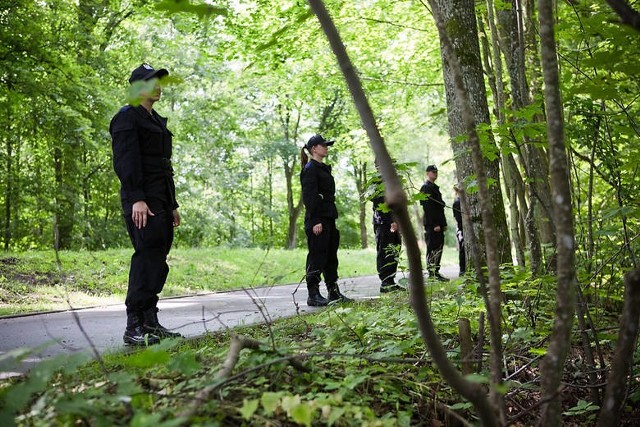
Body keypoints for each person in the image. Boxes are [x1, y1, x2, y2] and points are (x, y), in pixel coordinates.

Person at [110, 63, 182, 346]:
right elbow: (126, 162)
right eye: (152, 81)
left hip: (161, 199)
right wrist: (137, 197)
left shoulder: (154, 121)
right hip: (141, 199)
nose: (158, 85)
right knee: (146, 257)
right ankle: (134, 325)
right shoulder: (127, 118)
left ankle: (150, 321)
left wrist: (172, 203)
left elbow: (164, 167)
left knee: (158, 260)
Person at [300, 134, 352, 306]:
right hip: (317, 219)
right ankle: (313, 294)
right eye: (323, 145)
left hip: (329, 217)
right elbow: (309, 197)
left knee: (330, 256)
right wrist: (315, 220)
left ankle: (333, 291)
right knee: (317, 256)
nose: (326, 147)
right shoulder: (310, 169)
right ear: (314, 148)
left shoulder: (322, 168)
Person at [371, 163, 403, 293]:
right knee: (385, 250)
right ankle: (385, 282)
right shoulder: (376, 182)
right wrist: (390, 221)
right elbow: (379, 204)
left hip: (395, 221)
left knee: (395, 249)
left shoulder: (391, 181)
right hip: (384, 223)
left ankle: (391, 280)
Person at [420, 165, 449, 281]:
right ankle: (432, 272)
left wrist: (443, 223)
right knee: (433, 247)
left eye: (436, 172)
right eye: (433, 172)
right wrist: (435, 224)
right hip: (432, 225)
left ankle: (435, 271)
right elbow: (428, 208)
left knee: (438, 247)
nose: (435, 174)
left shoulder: (434, 187)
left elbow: (439, 208)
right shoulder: (426, 187)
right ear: (427, 173)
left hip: (438, 224)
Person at [452, 186, 466, 276]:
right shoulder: (457, 203)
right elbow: (458, 219)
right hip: (461, 229)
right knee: (463, 248)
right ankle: (462, 269)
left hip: (463, 229)